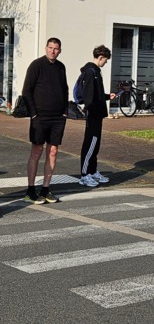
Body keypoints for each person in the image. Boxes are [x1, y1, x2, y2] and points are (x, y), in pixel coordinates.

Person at [22, 37, 69, 204]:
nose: (53, 51)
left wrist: (64, 112)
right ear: (46, 48)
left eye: (56, 48)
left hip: (58, 118)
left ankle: (45, 189)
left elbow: (65, 89)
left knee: (53, 152)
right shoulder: (37, 65)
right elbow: (26, 91)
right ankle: (30, 190)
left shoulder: (61, 67)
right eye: (50, 48)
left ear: (60, 50)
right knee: (36, 151)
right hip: (40, 117)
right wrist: (34, 114)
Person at [79, 46, 117, 187]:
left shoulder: (95, 71)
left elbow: (96, 93)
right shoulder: (91, 72)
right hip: (93, 114)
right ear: (101, 57)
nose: (106, 63)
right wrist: (92, 109)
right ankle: (84, 175)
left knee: (95, 145)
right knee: (90, 144)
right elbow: (89, 96)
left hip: (96, 113)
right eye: (105, 60)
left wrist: (106, 96)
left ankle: (92, 171)